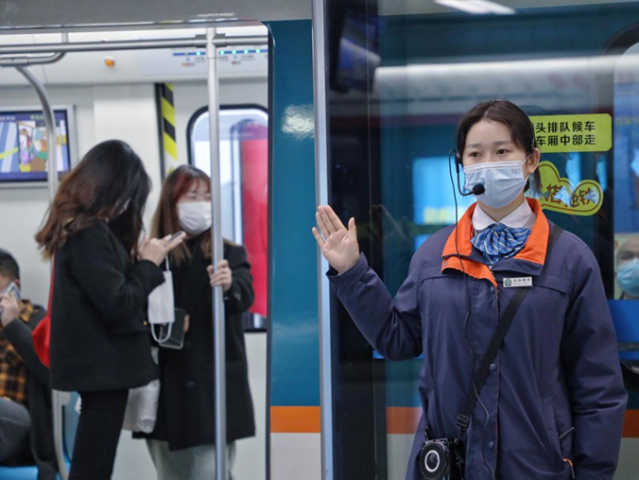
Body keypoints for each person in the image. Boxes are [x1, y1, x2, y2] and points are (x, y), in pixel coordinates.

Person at [313, 100, 627, 480]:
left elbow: (598, 387)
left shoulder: (569, 259)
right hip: (452, 466)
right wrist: (352, 272)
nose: (488, 164)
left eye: (502, 151)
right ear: (461, 165)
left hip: (538, 467)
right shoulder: (434, 254)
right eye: (475, 154)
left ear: (531, 160)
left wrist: (593, 474)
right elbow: (398, 339)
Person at [34, 140, 185, 480]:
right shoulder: (88, 232)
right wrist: (148, 265)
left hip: (97, 368)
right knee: (93, 467)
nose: (126, 204)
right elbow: (118, 302)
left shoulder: (82, 229)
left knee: (94, 463)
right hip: (101, 369)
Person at [141, 165, 255, 480]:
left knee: (212, 471)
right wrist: (166, 325)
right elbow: (133, 310)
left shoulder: (228, 253)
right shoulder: (153, 255)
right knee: (171, 472)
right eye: (192, 197)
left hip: (212, 384)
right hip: (169, 384)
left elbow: (245, 294)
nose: (201, 204)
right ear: (172, 204)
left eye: (207, 197)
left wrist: (229, 285)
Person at [0, 250, 56, 479]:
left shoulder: (40, 323)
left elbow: (53, 375)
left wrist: (12, 325)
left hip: (21, 431)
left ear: (14, 288)